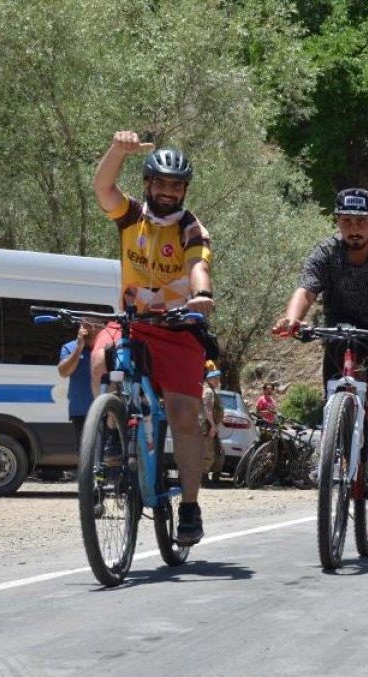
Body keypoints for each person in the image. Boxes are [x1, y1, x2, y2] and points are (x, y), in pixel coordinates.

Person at [273, 188, 368, 540]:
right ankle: (337, 456)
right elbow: (306, 289)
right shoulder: (327, 251)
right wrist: (292, 319)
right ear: (338, 223)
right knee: (333, 399)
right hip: (341, 335)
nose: (354, 229)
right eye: (347, 222)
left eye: (361, 222)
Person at [90, 130, 214, 545]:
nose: (167, 191)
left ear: (184, 190)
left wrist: (202, 295)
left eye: (175, 185)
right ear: (148, 184)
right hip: (133, 323)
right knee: (98, 356)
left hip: (179, 330)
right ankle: (109, 435)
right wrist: (117, 151)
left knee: (183, 417)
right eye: (160, 183)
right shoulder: (131, 216)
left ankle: (191, 507)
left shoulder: (191, 228)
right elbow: (102, 187)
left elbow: (199, 266)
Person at [57, 320, 100, 448]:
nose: (88, 327)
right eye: (84, 324)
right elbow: (64, 372)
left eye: (91, 324)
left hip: (106, 411)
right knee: (85, 455)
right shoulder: (69, 347)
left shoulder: (106, 347)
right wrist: (79, 349)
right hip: (82, 412)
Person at [200, 361, 225, 483]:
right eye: (216, 379)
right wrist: (213, 427)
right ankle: (203, 479)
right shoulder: (208, 392)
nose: (218, 381)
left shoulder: (211, 391)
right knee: (207, 453)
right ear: (211, 379)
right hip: (207, 427)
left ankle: (212, 477)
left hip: (210, 426)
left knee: (217, 452)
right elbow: (208, 411)